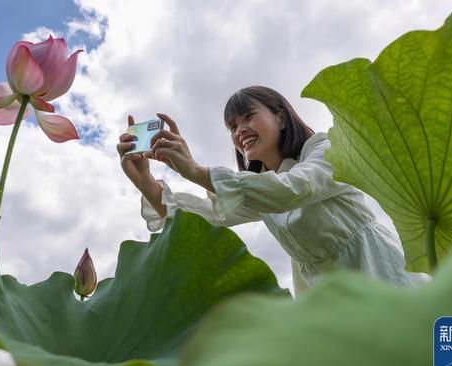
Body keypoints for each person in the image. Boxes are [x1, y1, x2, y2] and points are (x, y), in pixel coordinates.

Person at [116, 85, 431, 296]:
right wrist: (145, 181)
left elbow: (294, 188)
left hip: (382, 277)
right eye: (232, 127)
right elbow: (208, 217)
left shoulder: (325, 149)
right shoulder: (258, 188)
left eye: (248, 117)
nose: (240, 131)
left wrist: (198, 172)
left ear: (281, 117)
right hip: (327, 303)